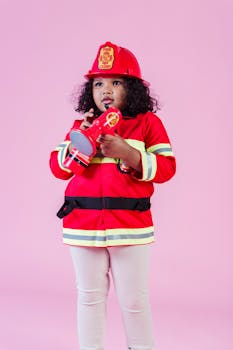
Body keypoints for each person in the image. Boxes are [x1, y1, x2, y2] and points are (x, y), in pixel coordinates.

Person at [49, 41, 176, 350]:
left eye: (116, 82)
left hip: (130, 225)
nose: (106, 89)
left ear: (131, 89)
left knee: (133, 299)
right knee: (89, 296)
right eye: (98, 83)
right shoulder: (81, 125)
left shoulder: (148, 123)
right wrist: (84, 141)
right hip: (83, 224)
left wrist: (129, 153)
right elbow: (58, 168)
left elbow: (167, 167)